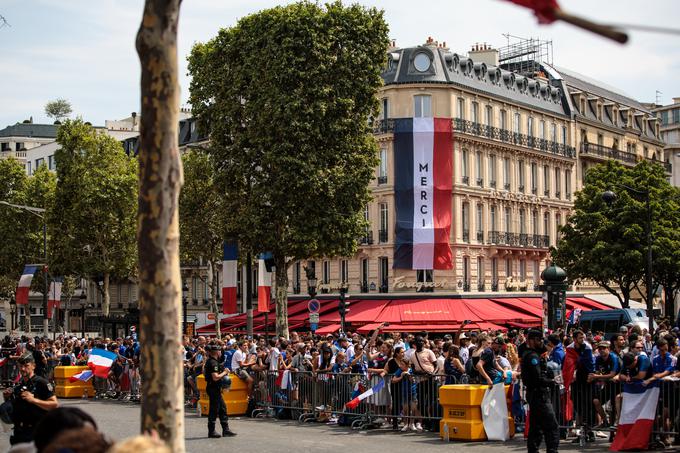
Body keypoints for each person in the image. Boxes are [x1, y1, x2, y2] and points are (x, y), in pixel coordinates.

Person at [3, 352, 58, 446]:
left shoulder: (42, 383)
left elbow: (54, 404)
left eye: (26, 365)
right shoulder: (19, 385)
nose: (23, 369)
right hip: (19, 432)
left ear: (33, 366)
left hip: (35, 432)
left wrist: (34, 400)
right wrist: (7, 397)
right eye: (20, 366)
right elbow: (15, 407)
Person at [521, 330, 559, 453]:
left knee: (536, 427)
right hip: (539, 394)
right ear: (531, 341)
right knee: (551, 425)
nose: (541, 342)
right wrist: (552, 381)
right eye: (538, 340)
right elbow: (537, 378)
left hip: (536, 393)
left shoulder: (533, 355)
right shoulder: (532, 356)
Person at [203, 344, 236, 438]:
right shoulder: (213, 363)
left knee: (222, 408)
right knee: (214, 409)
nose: (221, 353)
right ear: (217, 352)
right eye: (220, 351)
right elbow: (215, 377)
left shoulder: (211, 362)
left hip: (214, 388)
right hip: (213, 388)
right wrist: (225, 372)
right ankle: (211, 431)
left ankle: (226, 430)